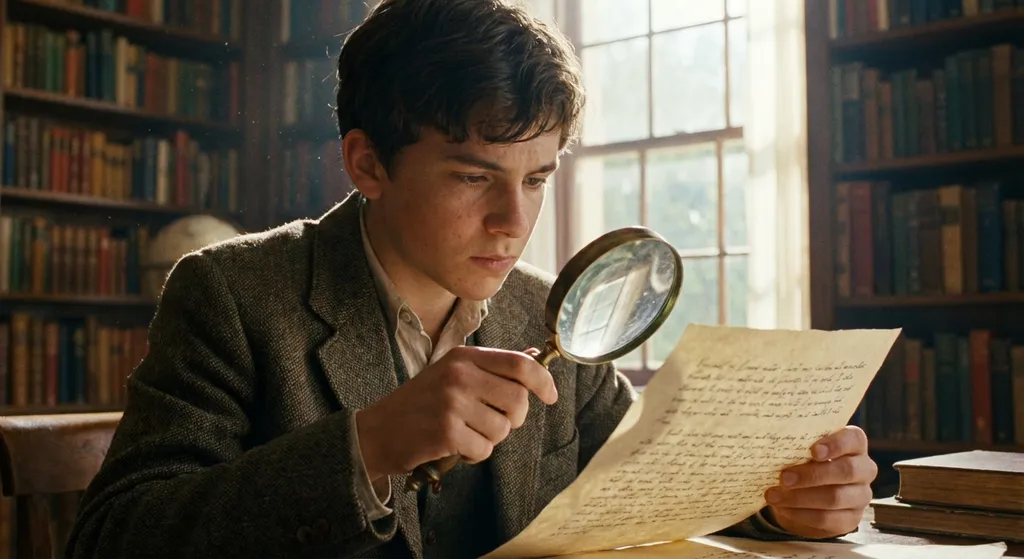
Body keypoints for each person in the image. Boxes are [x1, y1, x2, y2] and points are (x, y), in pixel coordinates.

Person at [65, 1, 878, 557]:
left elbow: (644, 486)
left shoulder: (549, 307)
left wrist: (780, 503)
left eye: (537, 178)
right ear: (368, 162)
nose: (514, 221)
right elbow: (114, 536)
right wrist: (372, 442)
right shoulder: (232, 294)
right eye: (471, 177)